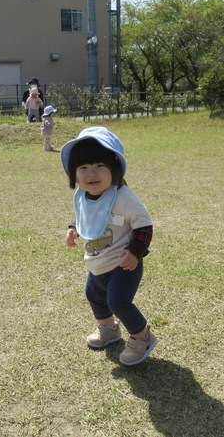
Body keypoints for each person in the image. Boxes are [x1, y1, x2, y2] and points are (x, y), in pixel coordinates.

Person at [60, 127, 158, 366]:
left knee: (118, 301)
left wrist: (135, 251)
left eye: (99, 165)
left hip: (123, 264)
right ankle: (109, 329)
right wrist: (73, 227)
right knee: (94, 295)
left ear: (114, 168)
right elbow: (84, 216)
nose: (91, 173)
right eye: (83, 168)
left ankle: (142, 336)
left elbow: (144, 224)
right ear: (73, 174)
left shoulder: (122, 197)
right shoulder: (83, 196)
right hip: (97, 263)